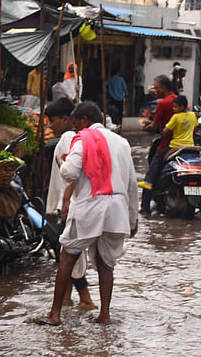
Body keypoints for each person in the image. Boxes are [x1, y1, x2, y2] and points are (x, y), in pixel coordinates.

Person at [39, 101, 138, 326]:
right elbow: (132, 183)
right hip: (117, 209)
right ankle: (104, 315)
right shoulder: (122, 143)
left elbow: (70, 173)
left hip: (89, 206)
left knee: (66, 257)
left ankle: (54, 315)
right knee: (106, 264)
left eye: (76, 124)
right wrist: (133, 219)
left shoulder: (82, 140)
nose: (76, 129)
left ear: (84, 120)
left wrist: (61, 163)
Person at [42, 100, 95, 311]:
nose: (50, 126)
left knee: (68, 254)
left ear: (67, 120)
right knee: (68, 253)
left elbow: (72, 174)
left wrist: (65, 201)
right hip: (72, 203)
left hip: (69, 204)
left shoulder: (69, 138)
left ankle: (86, 298)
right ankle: (66, 298)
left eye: (52, 121)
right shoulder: (79, 139)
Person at [138, 75, 177, 214]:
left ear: (163, 88)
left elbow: (156, 127)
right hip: (183, 145)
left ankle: (145, 208)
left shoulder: (163, 104)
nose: (154, 90)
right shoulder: (179, 102)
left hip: (166, 145)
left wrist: (145, 125)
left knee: (149, 177)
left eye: (156, 87)